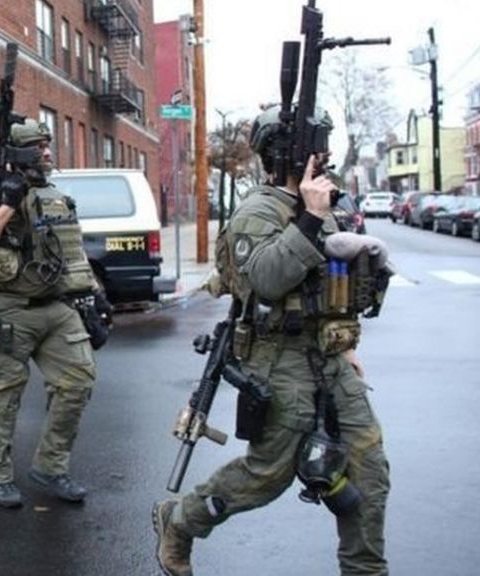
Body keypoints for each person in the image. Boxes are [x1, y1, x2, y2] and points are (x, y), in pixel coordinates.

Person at [152, 106, 390, 576]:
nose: (325, 154)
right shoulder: (258, 211)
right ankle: (179, 522)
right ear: (287, 154)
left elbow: (331, 283)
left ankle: (365, 570)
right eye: (318, 145)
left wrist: (345, 346)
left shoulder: (325, 206)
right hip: (279, 360)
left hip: (328, 357)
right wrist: (311, 218)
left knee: (369, 469)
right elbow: (265, 280)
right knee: (267, 475)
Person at [0, 119, 104, 509]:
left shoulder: (55, 196)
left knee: (78, 383)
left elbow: (72, 251)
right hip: (11, 311)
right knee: (5, 396)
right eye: (39, 147)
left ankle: (51, 466)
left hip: (58, 308)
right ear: (20, 154)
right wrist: (8, 204)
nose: (47, 152)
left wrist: (94, 297)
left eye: (47, 145)